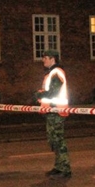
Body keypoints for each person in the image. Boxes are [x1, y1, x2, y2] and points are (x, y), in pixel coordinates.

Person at [34, 50, 71, 179]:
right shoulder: (51, 73)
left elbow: (53, 92)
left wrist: (39, 94)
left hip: (56, 111)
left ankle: (65, 168)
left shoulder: (56, 73)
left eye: (45, 58)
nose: (43, 60)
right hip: (51, 111)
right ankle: (58, 167)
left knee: (58, 140)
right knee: (54, 140)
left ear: (52, 59)